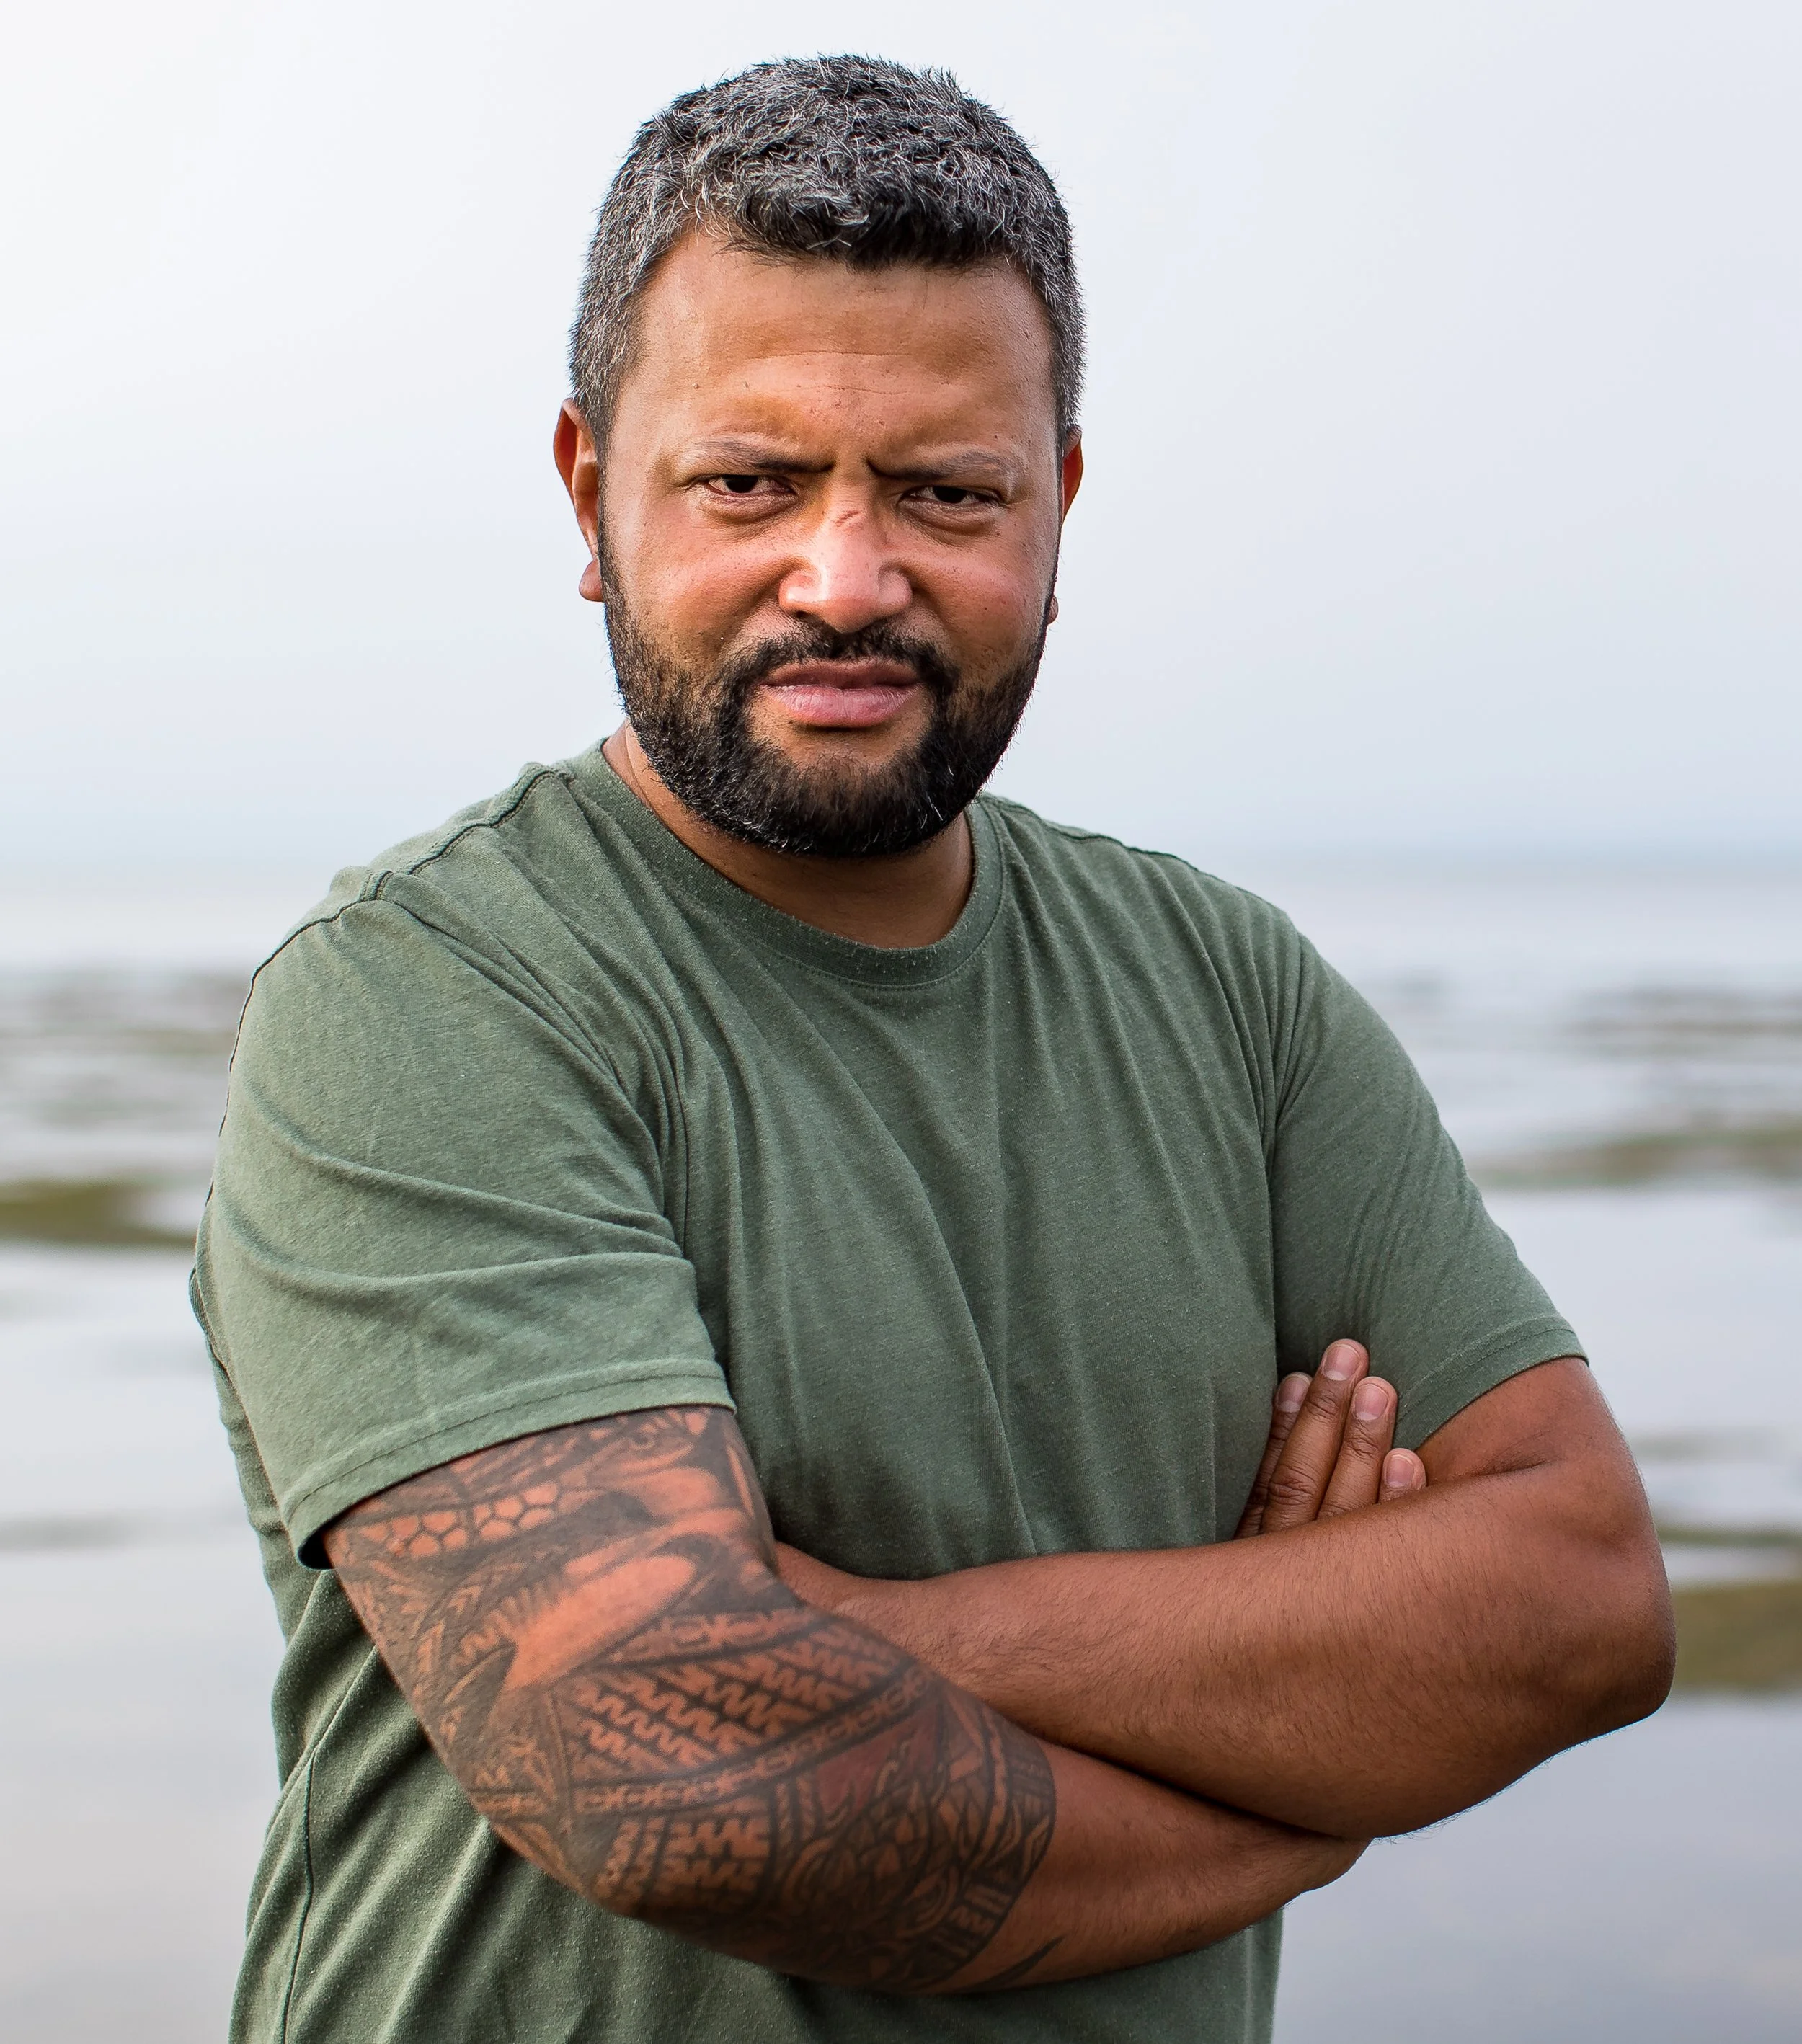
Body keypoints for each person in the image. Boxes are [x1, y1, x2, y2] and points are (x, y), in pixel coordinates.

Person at [192, 53, 1674, 2044]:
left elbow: (1580, 1601)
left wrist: (854, 1631)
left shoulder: (1229, 991)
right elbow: (680, 1776)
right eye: (749, 482)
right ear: (587, 491)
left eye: (944, 492)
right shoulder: (432, 994)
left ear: (1056, 503)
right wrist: (1302, 1792)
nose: (845, 578)